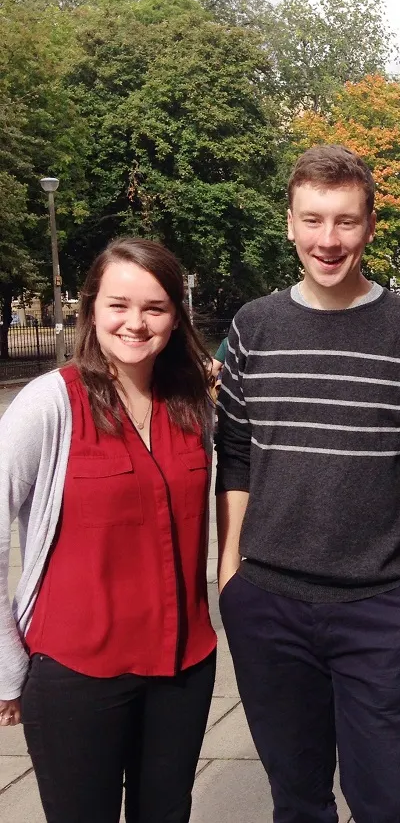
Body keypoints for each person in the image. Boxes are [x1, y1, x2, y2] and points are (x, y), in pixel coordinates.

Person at [215, 144, 400, 822]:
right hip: (268, 602)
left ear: (369, 225)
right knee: (297, 799)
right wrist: (230, 577)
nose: (328, 239)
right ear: (290, 223)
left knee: (392, 801)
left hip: (379, 604)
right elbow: (235, 455)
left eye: (345, 221)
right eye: (313, 220)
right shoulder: (254, 327)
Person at [0, 238, 216, 822]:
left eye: (155, 307)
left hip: (182, 666)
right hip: (78, 672)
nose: (135, 323)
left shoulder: (192, 405)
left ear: (176, 316)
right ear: (91, 307)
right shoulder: (50, 403)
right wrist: (6, 666)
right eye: (118, 305)